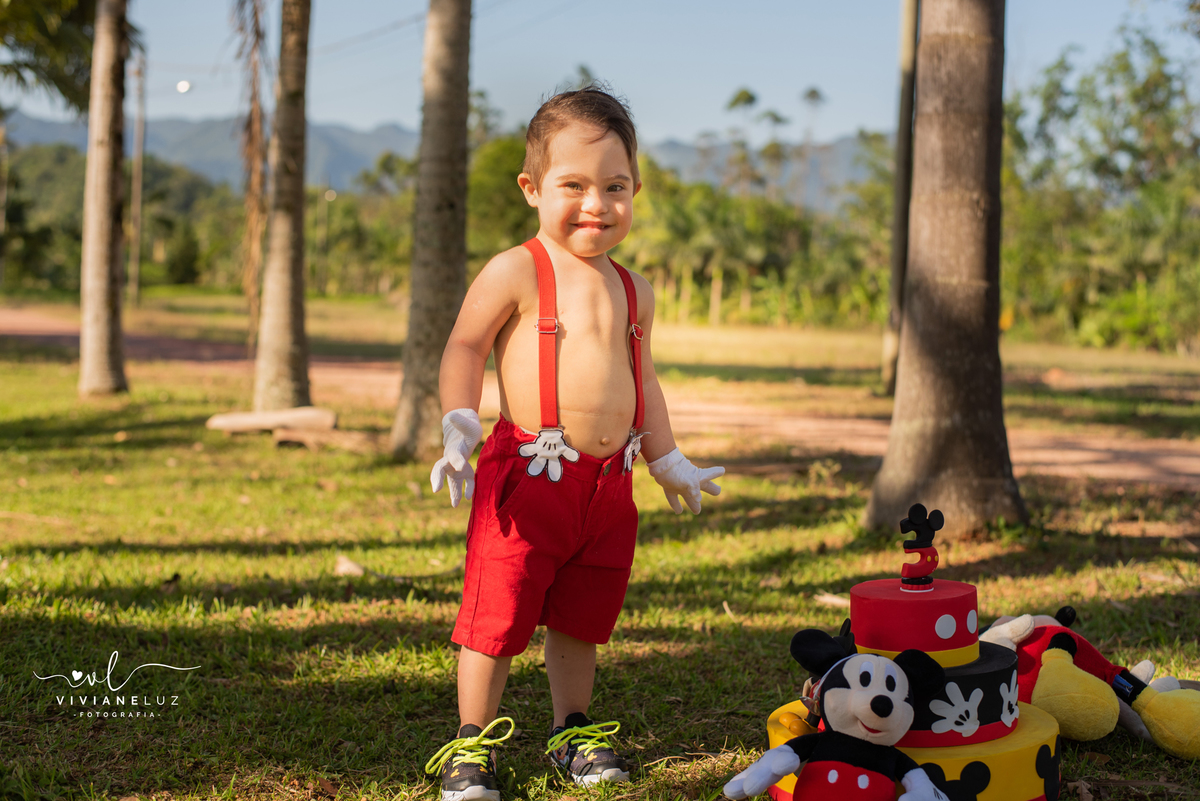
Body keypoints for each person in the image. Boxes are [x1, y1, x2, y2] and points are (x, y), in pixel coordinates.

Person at [424, 86, 724, 801]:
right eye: (574, 186)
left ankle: (572, 730)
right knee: (497, 613)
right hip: (528, 477)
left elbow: (642, 378)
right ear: (532, 188)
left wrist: (666, 457)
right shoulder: (517, 269)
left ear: (635, 190)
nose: (597, 203)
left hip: (607, 488)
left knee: (582, 615)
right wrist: (459, 419)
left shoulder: (635, 289)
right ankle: (470, 744)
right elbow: (465, 345)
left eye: (615, 187)